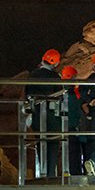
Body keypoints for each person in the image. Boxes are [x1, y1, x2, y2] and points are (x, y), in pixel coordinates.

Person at [26, 48, 63, 177]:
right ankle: (50, 175)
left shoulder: (33, 75)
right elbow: (60, 96)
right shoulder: (55, 77)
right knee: (52, 144)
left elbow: (28, 95)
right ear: (56, 63)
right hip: (52, 115)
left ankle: (41, 173)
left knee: (40, 142)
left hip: (36, 115)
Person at [60, 65, 85, 175]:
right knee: (73, 152)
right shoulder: (70, 93)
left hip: (67, 126)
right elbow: (74, 110)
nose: (76, 79)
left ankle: (70, 172)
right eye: (74, 77)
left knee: (71, 151)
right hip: (71, 126)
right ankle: (75, 173)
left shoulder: (63, 91)